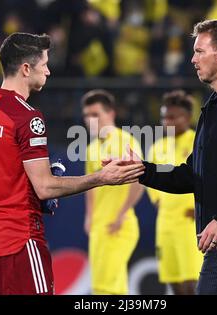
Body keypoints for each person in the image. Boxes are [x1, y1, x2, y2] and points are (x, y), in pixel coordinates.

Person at [0, 32, 145, 295]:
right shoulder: (27, 117)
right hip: (19, 240)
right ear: (26, 68)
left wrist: (10, 190)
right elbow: (45, 187)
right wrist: (102, 177)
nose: (49, 71)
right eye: (44, 65)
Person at [107, 20, 217, 294]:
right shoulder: (213, 107)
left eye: (199, 51)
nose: (192, 59)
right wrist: (141, 170)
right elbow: (191, 175)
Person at [82, 89, 144, 295]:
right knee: (110, 285)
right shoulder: (91, 149)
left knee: (106, 287)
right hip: (100, 225)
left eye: (95, 114)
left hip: (118, 225)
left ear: (111, 114)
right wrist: (89, 216)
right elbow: (89, 186)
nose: (90, 120)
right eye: (87, 115)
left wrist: (122, 213)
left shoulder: (125, 142)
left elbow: (139, 181)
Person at [146, 90, 203, 295]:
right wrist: (158, 200)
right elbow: (149, 181)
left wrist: (202, 207)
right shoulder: (156, 147)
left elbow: (212, 176)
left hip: (190, 223)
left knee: (193, 282)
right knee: (173, 282)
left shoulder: (197, 141)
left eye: (172, 117)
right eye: (164, 117)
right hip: (165, 223)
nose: (167, 122)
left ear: (187, 118)